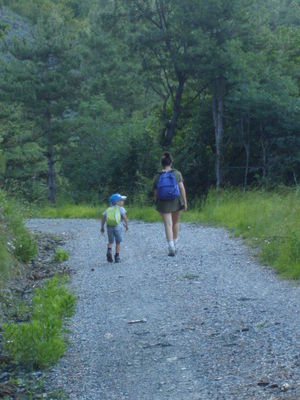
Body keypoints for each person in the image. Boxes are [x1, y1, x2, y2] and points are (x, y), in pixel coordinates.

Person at [153, 152, 187, 256]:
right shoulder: (177, 173)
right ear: (171, 162)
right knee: (175, 222)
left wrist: (157, 202)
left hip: (163, 202)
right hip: (176, 201)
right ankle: (175, 244)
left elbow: (155, 193)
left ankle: (171, 246)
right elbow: (181, 188)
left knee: (168, 224)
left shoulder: (157, 176)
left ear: (161, 164)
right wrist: (185, 202)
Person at [101, 193, 129, 263]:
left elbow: (103, 217)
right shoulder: (121, 208)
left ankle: (109, 250)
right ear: (117, 202)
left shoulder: (108, 209)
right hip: (117, 227)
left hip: (109, 227)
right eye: (121, 200)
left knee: (110, 241)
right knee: (118, 242)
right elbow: (125, 217)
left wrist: (102, 227)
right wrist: (127, 225)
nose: (123, 201)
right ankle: (117, 257)